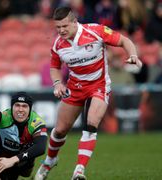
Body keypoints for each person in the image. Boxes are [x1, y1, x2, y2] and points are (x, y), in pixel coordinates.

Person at [34, 7, 143, 180]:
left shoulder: (96, 31)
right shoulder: (58, 45)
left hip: (99, 85)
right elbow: (55, 67)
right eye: (58, 27)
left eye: (64, 26)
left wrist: (133, 55)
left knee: (91, 123)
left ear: (75, 22)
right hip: (75, 88)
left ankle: (79, 170)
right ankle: (49, 161)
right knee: (60, 130)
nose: (61, 31)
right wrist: (57, 83)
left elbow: (124, 41)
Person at [0, 92, 48, 180]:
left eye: (24, 106)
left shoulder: (36, 121)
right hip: (1, 154)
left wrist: (13, 160)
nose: (20, 109)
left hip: (22, 159)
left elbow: (41, 147)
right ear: (12, 107)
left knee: (25, 173)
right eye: (17, 105)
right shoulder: (3, 116)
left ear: (30, 109)